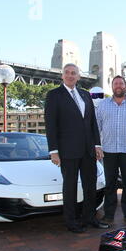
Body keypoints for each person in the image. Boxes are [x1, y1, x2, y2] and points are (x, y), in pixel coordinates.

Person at [44, 63, 109, 233]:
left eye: (74, 73)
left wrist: (97, 144)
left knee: (90, 185)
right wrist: (53, 151)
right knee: (70, 186)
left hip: (88, 150)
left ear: (79, 76)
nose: (71, 75)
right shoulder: (54, 95)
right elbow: (50, 125)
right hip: (67, 150)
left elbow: (92, 122)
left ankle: (89, 218)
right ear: (62, 76)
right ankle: (71, 221)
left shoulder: (85, 95)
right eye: (67, 73)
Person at [96, 76, 126, 225]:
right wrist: (96, 147)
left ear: (125, 86)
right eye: (116, 83)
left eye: (121, 83)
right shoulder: (103, 105)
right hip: (108, 150)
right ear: (112, 87)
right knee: (110, 183)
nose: (118, 86)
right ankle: (109, 215)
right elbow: (96, 127)